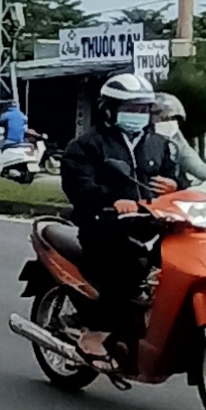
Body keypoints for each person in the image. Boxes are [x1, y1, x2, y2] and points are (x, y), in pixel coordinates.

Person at [59, 73, 183, 364]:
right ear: (108, 109)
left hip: (152, 224)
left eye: (144, 109)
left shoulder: (160, 145)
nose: (139, 115)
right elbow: (77, 184)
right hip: (104, 228)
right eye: (132, 109)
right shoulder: (87, 145)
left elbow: (179, 182)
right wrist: (111, 200)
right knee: (127, 270)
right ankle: (96, 333)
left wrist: (176, 187)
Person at [152, 93, 206, 184]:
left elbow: (195, 164)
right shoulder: (143, 140)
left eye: (174, 119)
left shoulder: (175, 137)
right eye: (163, 119)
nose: (170, 122)